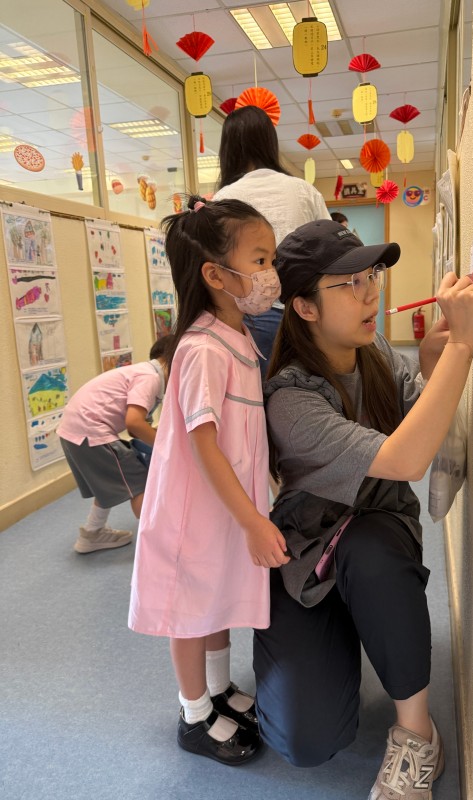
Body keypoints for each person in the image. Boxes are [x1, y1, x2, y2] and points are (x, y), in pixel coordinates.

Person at [254, 220, 473, 798]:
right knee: (305, 742)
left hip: (375, 535)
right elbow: (407, 458)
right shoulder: (291, 398)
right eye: (348, 283)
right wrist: (461, 347)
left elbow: (421, 422)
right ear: (305, 307)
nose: (370, 293)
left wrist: (430, 365)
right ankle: (346, 629)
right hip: (306, 555)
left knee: (372, 549)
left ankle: (417, 734)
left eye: (371, 276)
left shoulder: (374, 350)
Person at [128, 196, 290, 766]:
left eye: (271, 260)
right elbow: (204, 442)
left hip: (225, 507)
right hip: (195, 513)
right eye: (260, 259)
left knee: (217, 598)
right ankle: (194, 714)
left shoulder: (239, 337)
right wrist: (251, 520)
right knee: (191, 611)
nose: (271, 273)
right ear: (216, 275)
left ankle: (218, 691)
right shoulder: (201, 348)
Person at [212, 105, 331, 379]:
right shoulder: (303, 191)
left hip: (248, 318)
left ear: (227, 149)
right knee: (309, 390)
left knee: (256, 395)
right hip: (305, 311)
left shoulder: (223, 200)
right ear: (270, 142)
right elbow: (331, 252)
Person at [57, 336, 171, 553]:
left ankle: (93, 532)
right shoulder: (150, 377)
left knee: (110, 478)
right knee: (139, 481)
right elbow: (134, 423)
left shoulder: (141, 372)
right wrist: (166, 447)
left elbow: (136, 427)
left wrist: (159, 438)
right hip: (91, 432)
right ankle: (159, 547)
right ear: (172, 359)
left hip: (73, 431)